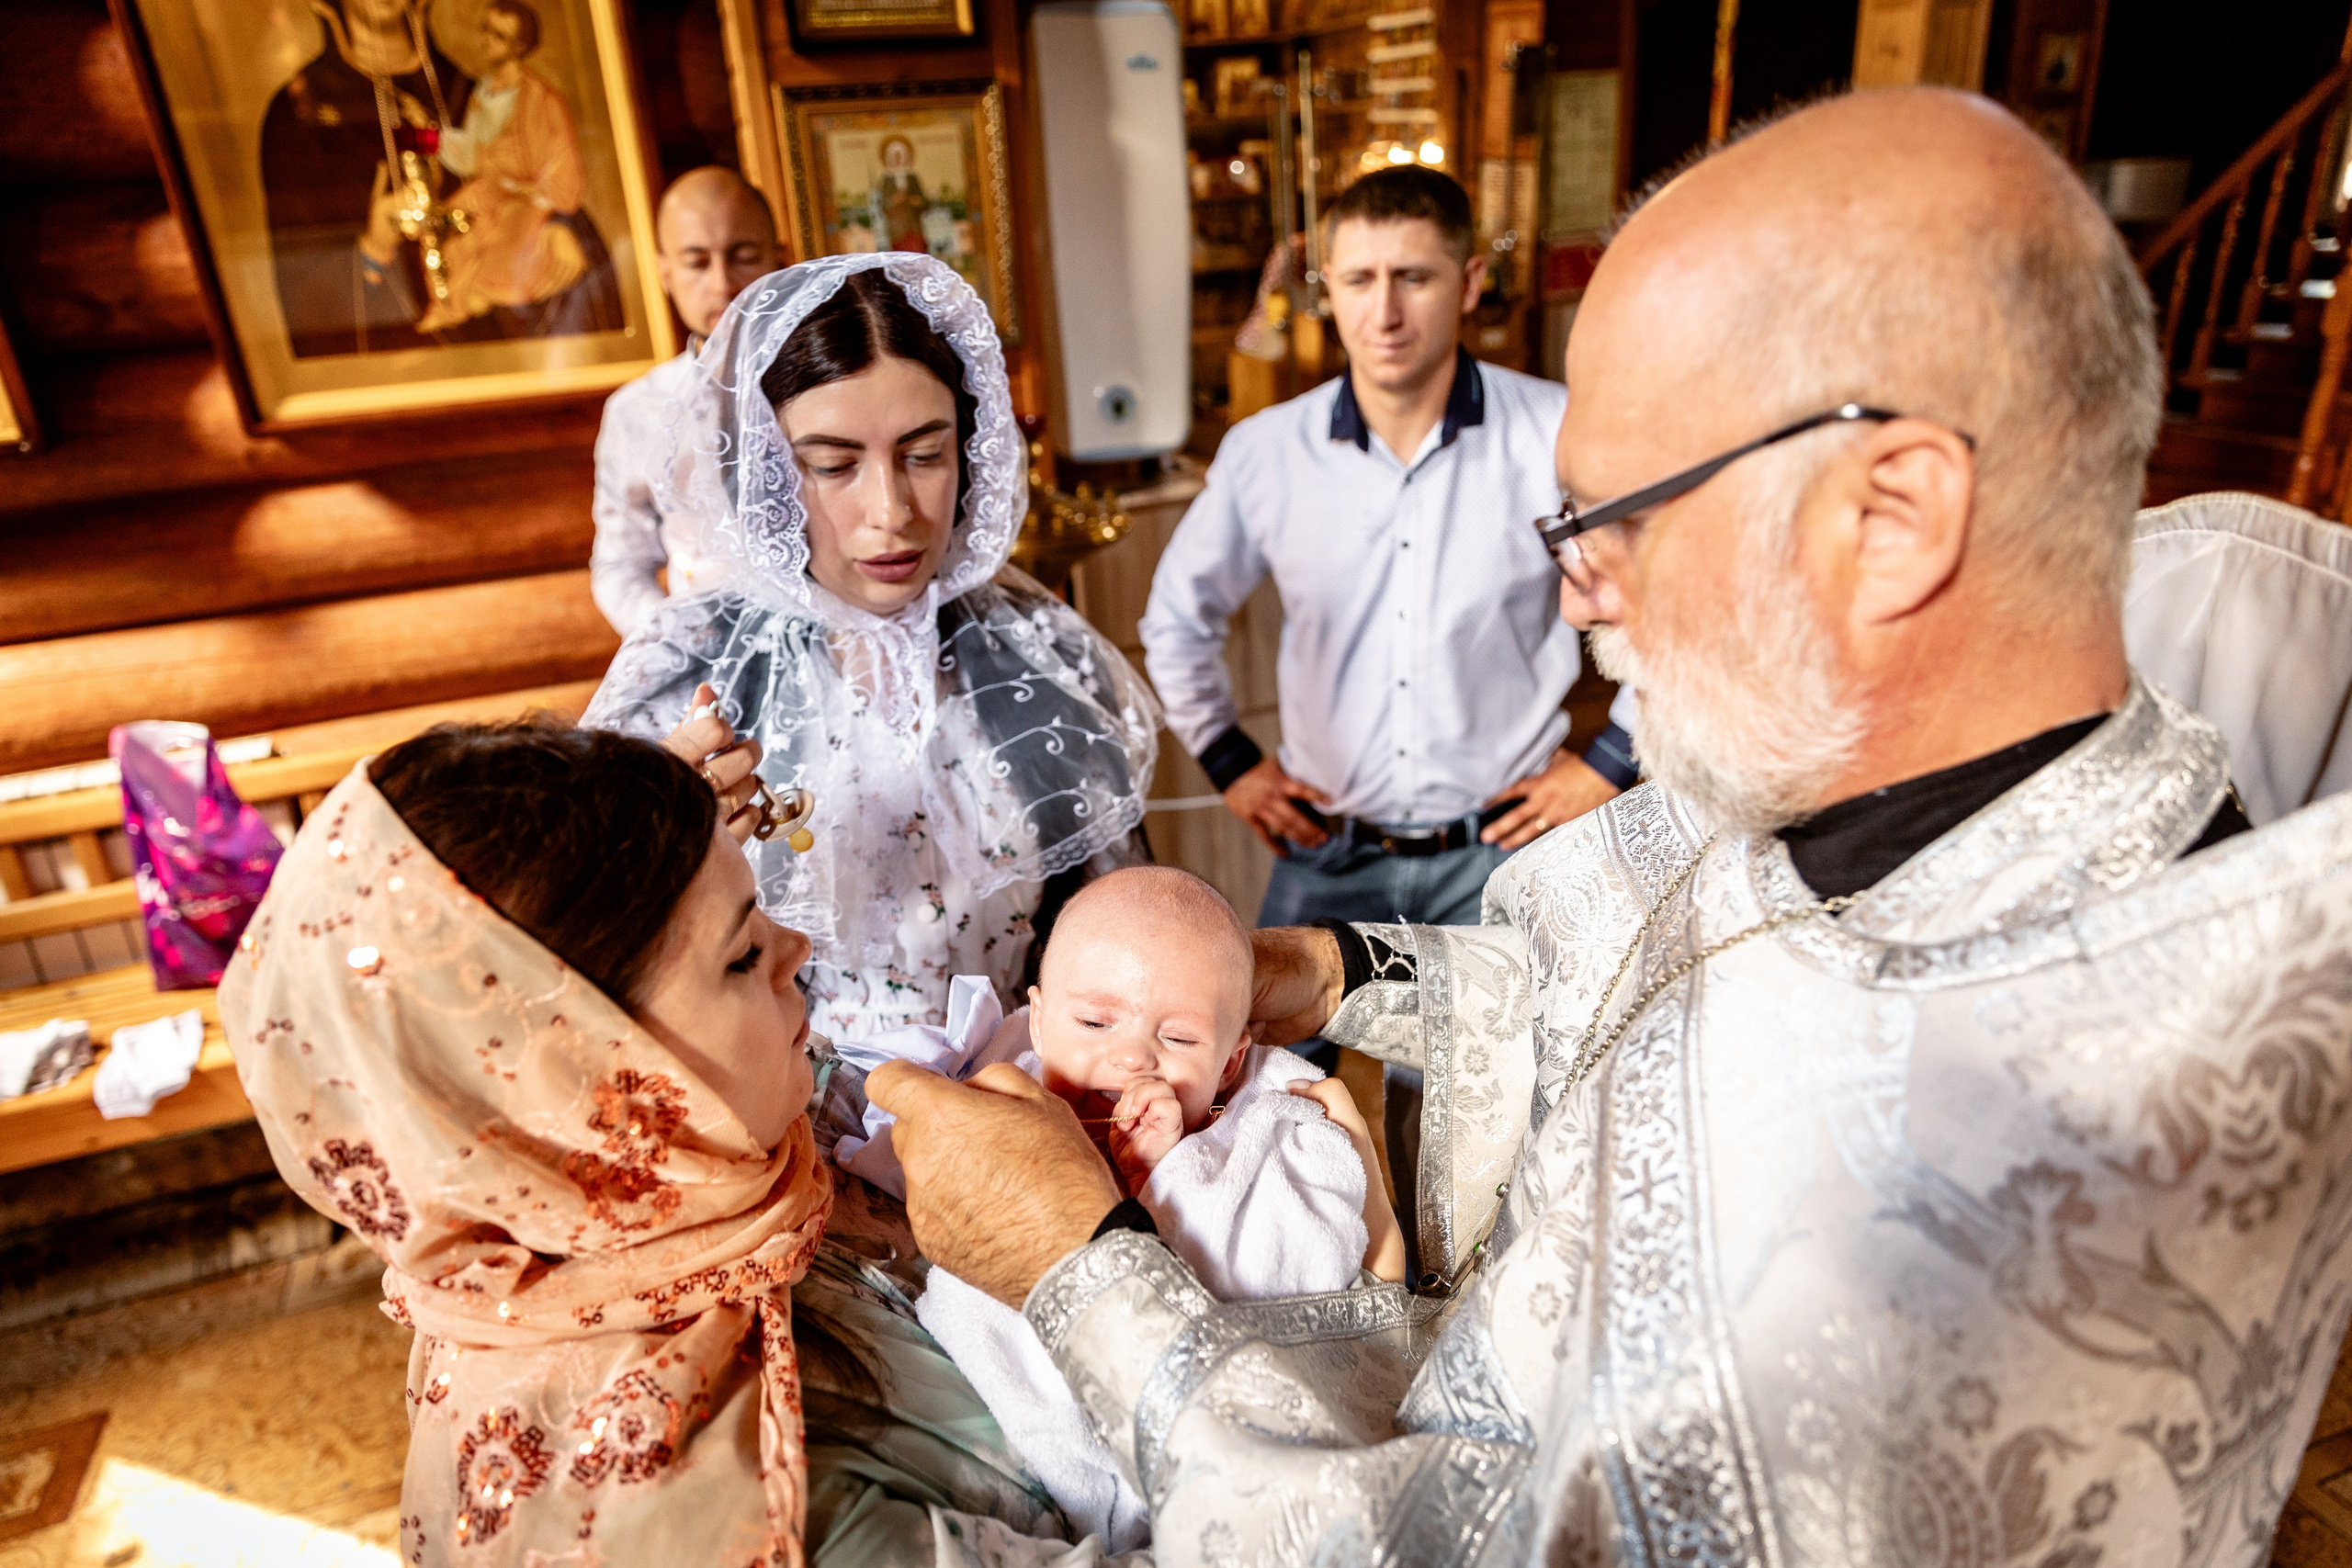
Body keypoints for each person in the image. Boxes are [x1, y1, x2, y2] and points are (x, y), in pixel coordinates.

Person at [869, 88, 2352, 1563]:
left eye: (1615, 517)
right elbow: (1620, 1001)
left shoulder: (1998, 1174)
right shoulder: (1889, 764)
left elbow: (1485, 1545)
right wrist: (1328, 976)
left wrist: (1077, 1265)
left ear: (1891, 516)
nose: (1578, 593)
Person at [220, 719, 1131, 1563]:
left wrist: (649, 838)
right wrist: (1101, 1269)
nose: (798, 947)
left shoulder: (629, 1192)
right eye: (741, 955)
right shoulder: (747, 1509)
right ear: (582, 1079)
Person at [583, 253, 1159, 1043]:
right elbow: (598, 967)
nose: (891, 511)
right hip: (784, 1125)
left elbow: (1123, 934)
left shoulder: (1040, 647)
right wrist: (668, 849)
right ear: (763, 472)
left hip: (1022, 1102)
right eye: (832, 465)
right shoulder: (685, 667)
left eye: (925, 454)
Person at [833, 864, 1403, 1550]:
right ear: (1038, 1022)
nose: (1134, 1056)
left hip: (1225, 1446)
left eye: (1182, 1039)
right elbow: (957, 1198)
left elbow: (1272, 1274)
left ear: (1230, 1063)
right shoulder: (1009, 1100)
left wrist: (1155, 1181)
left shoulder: (1260, 1134)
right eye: (1095, 1020)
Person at [1140, 164, 1631, 937]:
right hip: (1328, 850)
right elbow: (1175, 621)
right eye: (1360, 280)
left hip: (1500, 852)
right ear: (1326, 287)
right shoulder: (1266, 452)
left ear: (1469, 282)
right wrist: (1232, 765)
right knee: (1258, 1055)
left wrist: (1611, 760)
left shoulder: (1554, 432)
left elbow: (1666, 602)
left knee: (1488, 1062)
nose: (1386, 312)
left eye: (1414, 278)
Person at [259, 0, 621, 355]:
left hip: (503, 349)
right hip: (401, 364)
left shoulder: (467, 93)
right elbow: (302, 294)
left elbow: (535, 178)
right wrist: (373, 250)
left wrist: (560, 231)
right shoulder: (298, 117)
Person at [591, 167, 781, 637]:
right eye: (697, 262)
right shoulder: (636, 411)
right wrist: (678, 639)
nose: (723, 284)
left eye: (745, 256)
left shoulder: (837, 383)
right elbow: (619, 567)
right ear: (665, 273)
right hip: (705, 662)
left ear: (780, 258)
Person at [412, 0, 588, 335]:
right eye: (485, 30)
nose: (487, 40)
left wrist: (506, 173)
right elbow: (470, 154)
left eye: (499, 36)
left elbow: (555, 170)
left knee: (500, 250)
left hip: (526, 199)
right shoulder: (483, 89)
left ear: (518, 47)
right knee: (442, 228)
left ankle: (471, 305)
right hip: (489, 191)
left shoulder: (539, 98)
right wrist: (419, 134)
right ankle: (447, 306)